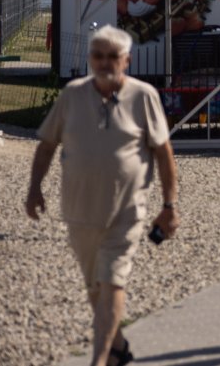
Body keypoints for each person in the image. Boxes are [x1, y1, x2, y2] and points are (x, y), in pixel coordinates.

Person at [25, 25, 179, 366]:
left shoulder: (144, 96)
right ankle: (119, 347)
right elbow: (47, 144)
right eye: (99, 56)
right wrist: (34, 187)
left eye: (113, 57)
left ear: (127, 60)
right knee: (96, 288)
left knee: (112, 282)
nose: (106, 62)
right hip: (79, 212)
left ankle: (101, 358)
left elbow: (164, 153)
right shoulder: (72, 95)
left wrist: (169, 206)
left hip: (126, 211)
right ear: (90, 59)